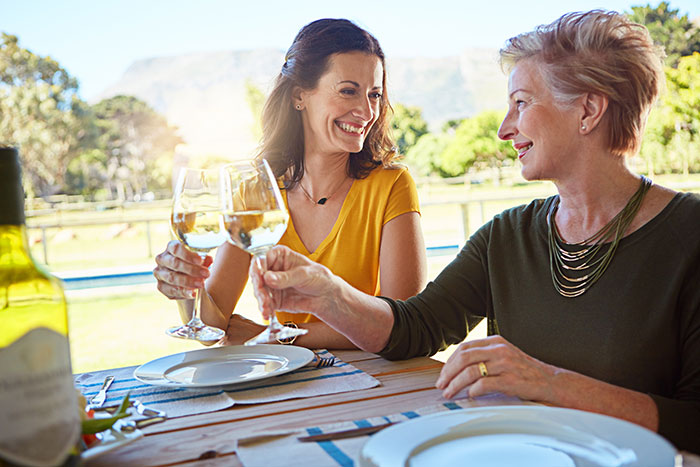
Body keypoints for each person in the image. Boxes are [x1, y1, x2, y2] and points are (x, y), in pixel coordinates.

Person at [248, 10, 700, 453]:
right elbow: (415, 327)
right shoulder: (505, 237)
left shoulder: (689, 236)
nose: (505, 129)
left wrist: (549, 383)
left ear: (588, 109)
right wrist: (325, 293)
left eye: (521, 103)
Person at [153, 18, 427, 349]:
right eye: (348, 91)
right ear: (300, 95)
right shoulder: (257, 194)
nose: (367, 111)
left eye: (374, 94)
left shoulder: (391, 185)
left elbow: (402, 323)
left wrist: (274, 338)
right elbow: (215, 323)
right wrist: (187, 288)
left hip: (373, 382)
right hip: (288, 383)